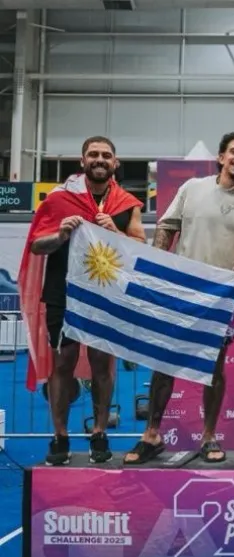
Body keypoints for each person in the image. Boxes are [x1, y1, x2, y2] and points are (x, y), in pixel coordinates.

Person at [123, 131, 234, 464]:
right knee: (164, 365)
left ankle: (208, 436)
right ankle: (151, 435)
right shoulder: (192, 189)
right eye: (233, 151)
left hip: (220, 298)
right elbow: (166, 226)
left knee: (214, 368)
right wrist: (157, 270)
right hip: (179, 292)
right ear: (221, 157)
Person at [20, 136, 145, 465]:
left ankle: (100, 433)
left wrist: (113, 233)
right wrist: (60, 235)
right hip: (63, 293)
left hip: (105, 296)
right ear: (83, 161)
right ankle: (60, 436)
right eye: (94, 154)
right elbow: (37, 246)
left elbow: (140, 247)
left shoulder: (126, 203)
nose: (100, 159)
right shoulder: (59, 200)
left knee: (103, 365)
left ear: (115, 163)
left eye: (106, 155)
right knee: (63, 365)